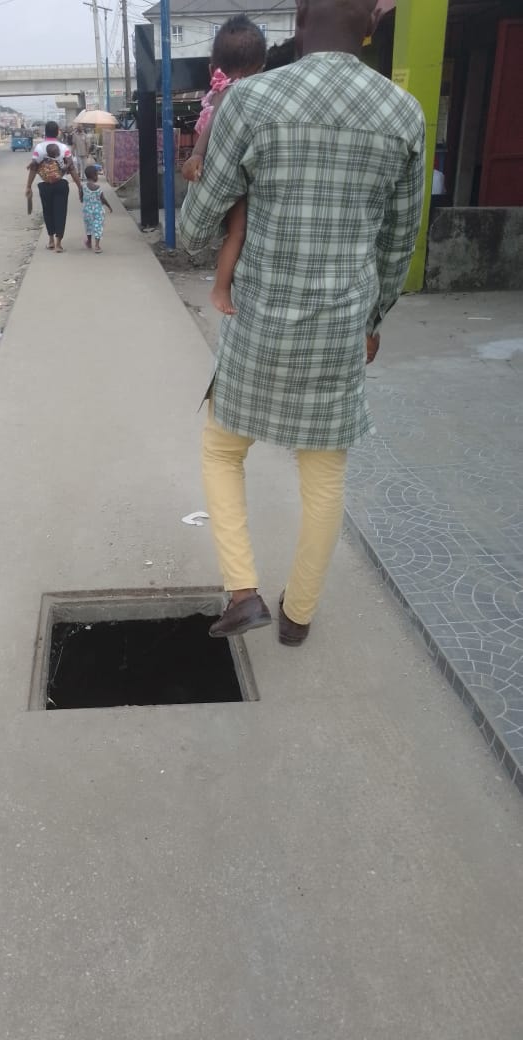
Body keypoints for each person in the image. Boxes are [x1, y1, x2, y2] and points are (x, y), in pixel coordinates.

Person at [179, 0, 426, 646]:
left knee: (222, 450)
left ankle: (243, 592)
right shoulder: (404, 113)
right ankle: (298, 617)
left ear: (297, 18)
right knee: (323, 475)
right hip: (340, 330)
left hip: (258, 324)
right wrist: (373, 319)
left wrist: (215, 210)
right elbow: (400, 242)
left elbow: (196, 225)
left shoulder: (250, 100)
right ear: (370, 25)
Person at [181, 16, 267, 315]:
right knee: (237, 232)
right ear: (262, 67)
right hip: (238, 167)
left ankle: (221, 285)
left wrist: (197, 154)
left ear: (211, 69)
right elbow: (215, 124)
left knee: (234, 232)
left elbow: (212, 124)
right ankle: (221, 287)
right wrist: (197, 154)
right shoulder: (242, 93)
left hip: (226, 166)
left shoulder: (223, 90)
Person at [25, 121, 83, 253]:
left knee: (48, 211)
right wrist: (80, 186)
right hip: (61, 184)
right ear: (57, 132)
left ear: (45, 132)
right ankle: (58, 244)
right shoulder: (64, 148)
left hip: (44, 184)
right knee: (60, 212)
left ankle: (50, 241)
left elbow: (33, 168)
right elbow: (72, 169)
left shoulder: (39, 148)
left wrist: (28, 186)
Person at [82, 165, 112, 252]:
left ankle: (89, 242)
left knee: (88, 226)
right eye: (97, 174)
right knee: (98, 227)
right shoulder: (98, 188)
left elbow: (81, 196)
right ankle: (97, 246)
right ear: (94, 175)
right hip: (98, 212)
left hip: (87, 212)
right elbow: (103, 199)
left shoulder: (83, 187)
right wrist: (109, 206)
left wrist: (83, 199)